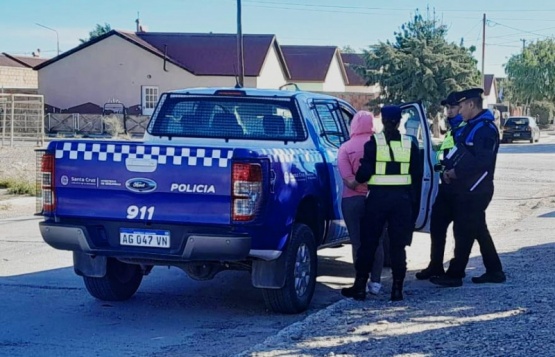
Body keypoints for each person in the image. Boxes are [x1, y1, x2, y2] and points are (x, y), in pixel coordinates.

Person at [341, 105, 421, 301]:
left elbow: (364, 173)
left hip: (377, 201)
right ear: (400, 121)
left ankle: (360, 287)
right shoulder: (409, 144)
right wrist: (413, 205)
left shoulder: (373, 143)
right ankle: (397, 289)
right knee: (397, 246)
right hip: (401, 202)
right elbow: (417, 177)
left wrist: (356, 180)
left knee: (369, 243)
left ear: (383, 121)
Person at [430, 88, 506, 287]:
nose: (459, 110)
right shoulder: (472, 126)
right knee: (479, 229)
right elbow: (460, 153)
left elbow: (482, 160)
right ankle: (495, 270)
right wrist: (448, 170)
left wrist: (457, 173)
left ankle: (455, 274)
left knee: (463, 232)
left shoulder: (485, 129)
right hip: (465, 188)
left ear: (471, 105)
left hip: (476, 189)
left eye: (461, 106)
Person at [415, 92, 465, 280]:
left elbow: (462, 158)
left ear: (462, 107)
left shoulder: (464, 129)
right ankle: (435, 265)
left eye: (452, 108)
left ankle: (458, 270)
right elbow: (446, 155)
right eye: (447, 108)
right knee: (437, 226)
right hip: (446, 186)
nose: (448, 112)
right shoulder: (452, 130)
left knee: (466, 231)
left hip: (459, 188)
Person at [338, 110, 384, 295]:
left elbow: (347, 179)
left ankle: (360, 282)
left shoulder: (345, 147)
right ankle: (376, 283)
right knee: (377, 242)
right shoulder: (382, 145)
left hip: (352, 200)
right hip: (378, 199)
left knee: (357, 242)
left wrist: (357, 183)